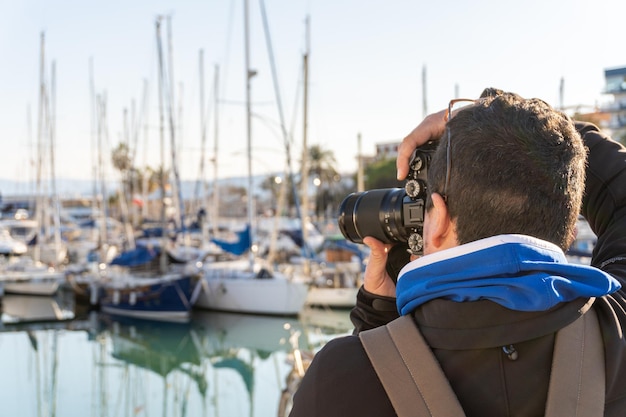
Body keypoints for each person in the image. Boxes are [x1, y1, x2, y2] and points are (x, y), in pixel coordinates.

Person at [289, 88, 626, 416]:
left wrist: (378, 320)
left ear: (439, 220)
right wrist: (505, 119)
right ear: (566, 224)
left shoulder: (339, 380)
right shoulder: (616, 331)